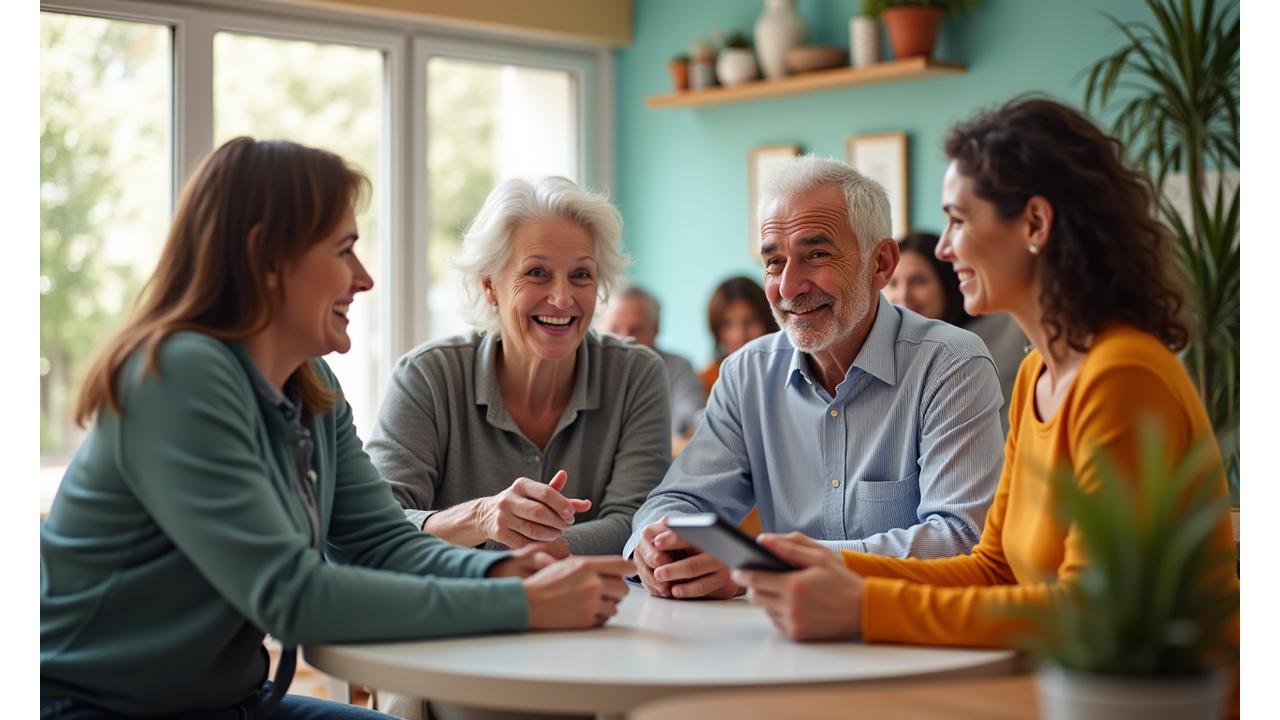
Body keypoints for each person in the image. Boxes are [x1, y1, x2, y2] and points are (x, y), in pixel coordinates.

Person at [40, 139, 635, 720]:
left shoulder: (310, 382)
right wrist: (515, 601)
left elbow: (379, 544)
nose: (365, 278)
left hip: (229, 702)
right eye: (344, 249)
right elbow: (292, 597)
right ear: (267, 259)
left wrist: (502, 569)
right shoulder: (177, 375)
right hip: (94, 706)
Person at [731, 97, 1238, 690]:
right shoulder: (1037, 376)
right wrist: (827, 563)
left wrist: (862, 606)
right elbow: (995, 568)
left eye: (958, 220)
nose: (943, 248)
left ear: (1035, 225)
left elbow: (1094, 613)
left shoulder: (1121, 376)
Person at [626, 155, 1007, 601]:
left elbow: (962, 540)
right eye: (773, 262)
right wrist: (655, 546)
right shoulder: (746, 373)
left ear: (881, 263)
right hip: (785, 641)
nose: (788, 287)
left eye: (817, 255)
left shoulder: (950, 363)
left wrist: (766, 567)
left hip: (908, 642)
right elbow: (679, 501)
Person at [887, 231, 1027, 431]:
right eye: (893, 283)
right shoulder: (892, 351)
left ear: (946, 283)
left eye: (918, 281)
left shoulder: (1007, 329)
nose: (903, 296)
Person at [598, 284, 707, 443]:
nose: (625, 340)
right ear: (598, 328)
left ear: (655, 329)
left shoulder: (678, 368)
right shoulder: (585, 370)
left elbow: (691, 423)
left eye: (636, 330)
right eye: (615, 329)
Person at [699, 275, 779, 395]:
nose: (739, 335)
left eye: (751, 321)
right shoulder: (705, 382)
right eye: (727, 324)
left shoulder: (792, 373)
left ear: (768, 321)